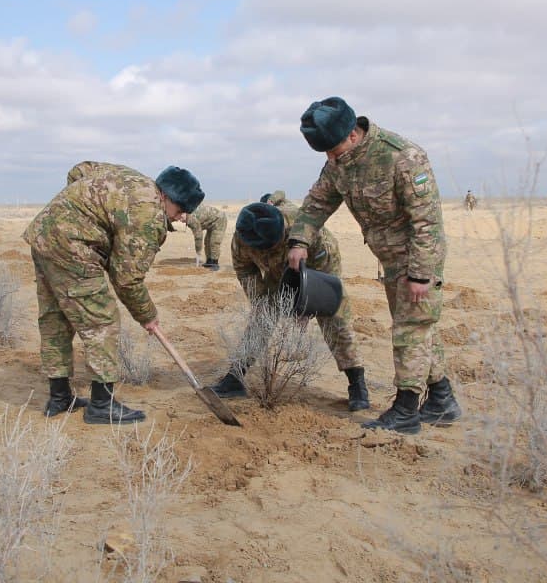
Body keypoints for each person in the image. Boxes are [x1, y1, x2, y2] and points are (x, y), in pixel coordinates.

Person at [288, 96, 461, 434]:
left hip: (417, 257)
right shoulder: (339, 163)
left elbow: (427, 221)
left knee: (411, 329)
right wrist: (299, 240)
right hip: (389, 260)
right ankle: (441, 399)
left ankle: (406, 410)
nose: (330, 158)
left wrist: (421, 274)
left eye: (334, 150)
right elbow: (318, 202)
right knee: (419, 328)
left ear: (354, 134)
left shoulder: (403, 157)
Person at [24, 161, 204, 425]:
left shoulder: (131, 177)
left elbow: (79, 170)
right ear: (166, 196)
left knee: (55, 319)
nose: (181, 217)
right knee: (102, 321)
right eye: (181, 210)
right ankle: (101, 404)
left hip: (43, 235)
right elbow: (127, 278)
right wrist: (147, 315)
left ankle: (59, 396)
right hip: (73, 248)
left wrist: (78, 210)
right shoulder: (149, 214)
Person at [211, 199, 370, 411]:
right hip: (277, 276)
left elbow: (327, 274)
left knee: (335, 318)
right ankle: (234, 379)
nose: (266, 253)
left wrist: (307, 306)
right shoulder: (242, 237)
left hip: (315, 271)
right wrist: (259, 300)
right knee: (261, 318)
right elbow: (245, 270)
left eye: (272, 247)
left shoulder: (310, 233)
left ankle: (357, 383)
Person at [185, 202, 227, 271]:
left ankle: (215, 263)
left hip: (220, 220)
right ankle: (209, 261)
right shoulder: (188, 213)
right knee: (207, 242)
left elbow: (198, 236)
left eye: (181, 217)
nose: (180, 220)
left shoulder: (191, 219)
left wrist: (198, 251)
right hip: (211, 224)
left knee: (214, 242)